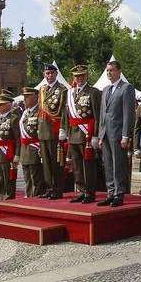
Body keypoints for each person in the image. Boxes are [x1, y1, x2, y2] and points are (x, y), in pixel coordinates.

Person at [95, 59, 135, 207]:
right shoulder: (105, 89)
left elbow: (128, 113)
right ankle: (110, 192)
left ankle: (119, 193)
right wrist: (100, 135)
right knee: (108, 165)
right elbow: (102, 114)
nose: (108, 73)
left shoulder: (126, 88)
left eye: (111, 70)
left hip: (118, 133)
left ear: (119, 71)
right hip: (106, 133)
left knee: (119, 164)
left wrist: (126, 135)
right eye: (107, 70)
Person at [66, 66, 102, 203]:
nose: (79, 79)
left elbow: (97, 115)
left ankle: (90, 191)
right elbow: (67, 115)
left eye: (82, 76)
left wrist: (95, 135)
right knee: (77, 165)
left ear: (86, 76)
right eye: (77, 76)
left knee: (88, 165)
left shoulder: (93, 92)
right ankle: (81, 189)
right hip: (73, 133)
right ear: (74, 78)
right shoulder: (70, 93)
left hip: (86, 133)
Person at [36, 64, 67, 200]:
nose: (49, 76)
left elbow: (64, 111)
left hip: (54, 129)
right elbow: (39, 110)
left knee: (56, 162)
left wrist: (63, 128)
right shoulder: (42, 90)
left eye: (51, 73)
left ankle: (57, 189)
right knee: (46, 163)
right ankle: (49, 187)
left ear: (56, 74)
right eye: (47, 73)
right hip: (43, 130)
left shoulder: (62, 90)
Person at [16, 87, 44, 198]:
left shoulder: (40, 112)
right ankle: (28, 198)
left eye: (27, 97)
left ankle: (35, 199)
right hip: (25, 149)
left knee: (35, 178)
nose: (24, 99)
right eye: (24, 97)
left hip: (34, 149)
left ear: (35, 97)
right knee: (27, 178)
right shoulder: (25, 113)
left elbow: (41, 132)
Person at [0, 90, 18, 202]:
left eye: (1, 104)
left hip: (8, 152)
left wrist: (16, 154)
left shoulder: (14, 118)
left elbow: (18, 138)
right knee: (0, 178)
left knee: (8, 178)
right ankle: (1, 199)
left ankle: (8, 199)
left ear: (8, 105)